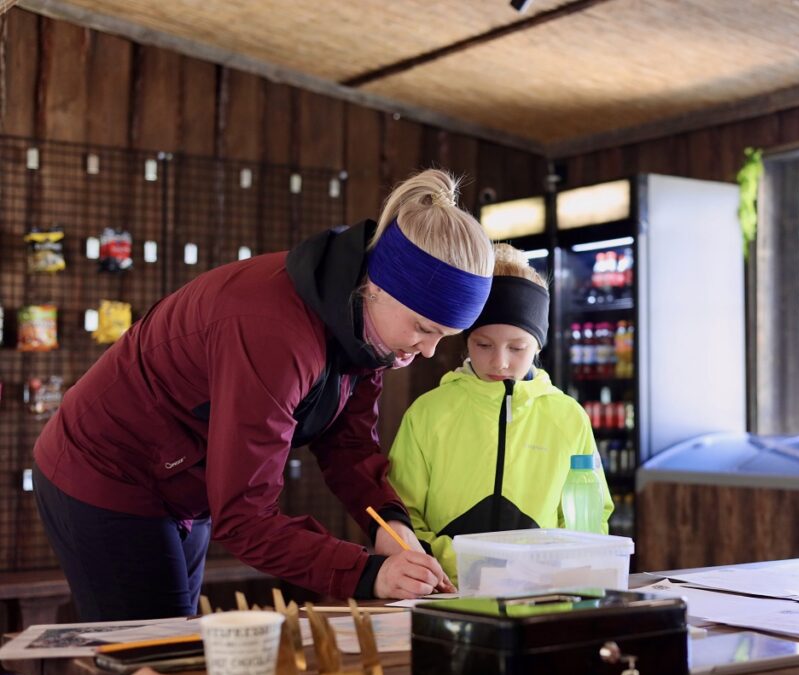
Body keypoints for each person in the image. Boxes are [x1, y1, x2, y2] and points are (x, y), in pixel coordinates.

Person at [32, 169, 492, 621]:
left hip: (183, 481)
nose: (429, 351)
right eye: (424, 329)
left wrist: (388, 524)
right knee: (151, 655)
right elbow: (245, 517)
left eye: (445, 337)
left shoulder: (364, 324)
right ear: (379, 287)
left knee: (175, 642)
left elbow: (348, 444)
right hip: (106, 469)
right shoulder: (272, 332)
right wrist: (367, 574)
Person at [387, 243, 613, 583]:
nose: (500, 362)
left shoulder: (568, 417)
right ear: (465, 341)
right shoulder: (428, 414)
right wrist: (453, 562)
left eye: (517, 347)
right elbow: (400, 513)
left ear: (538, 345)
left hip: (541, 594)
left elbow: (590, 519)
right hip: (444, 590)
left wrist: (558, 567)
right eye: (483, 344)